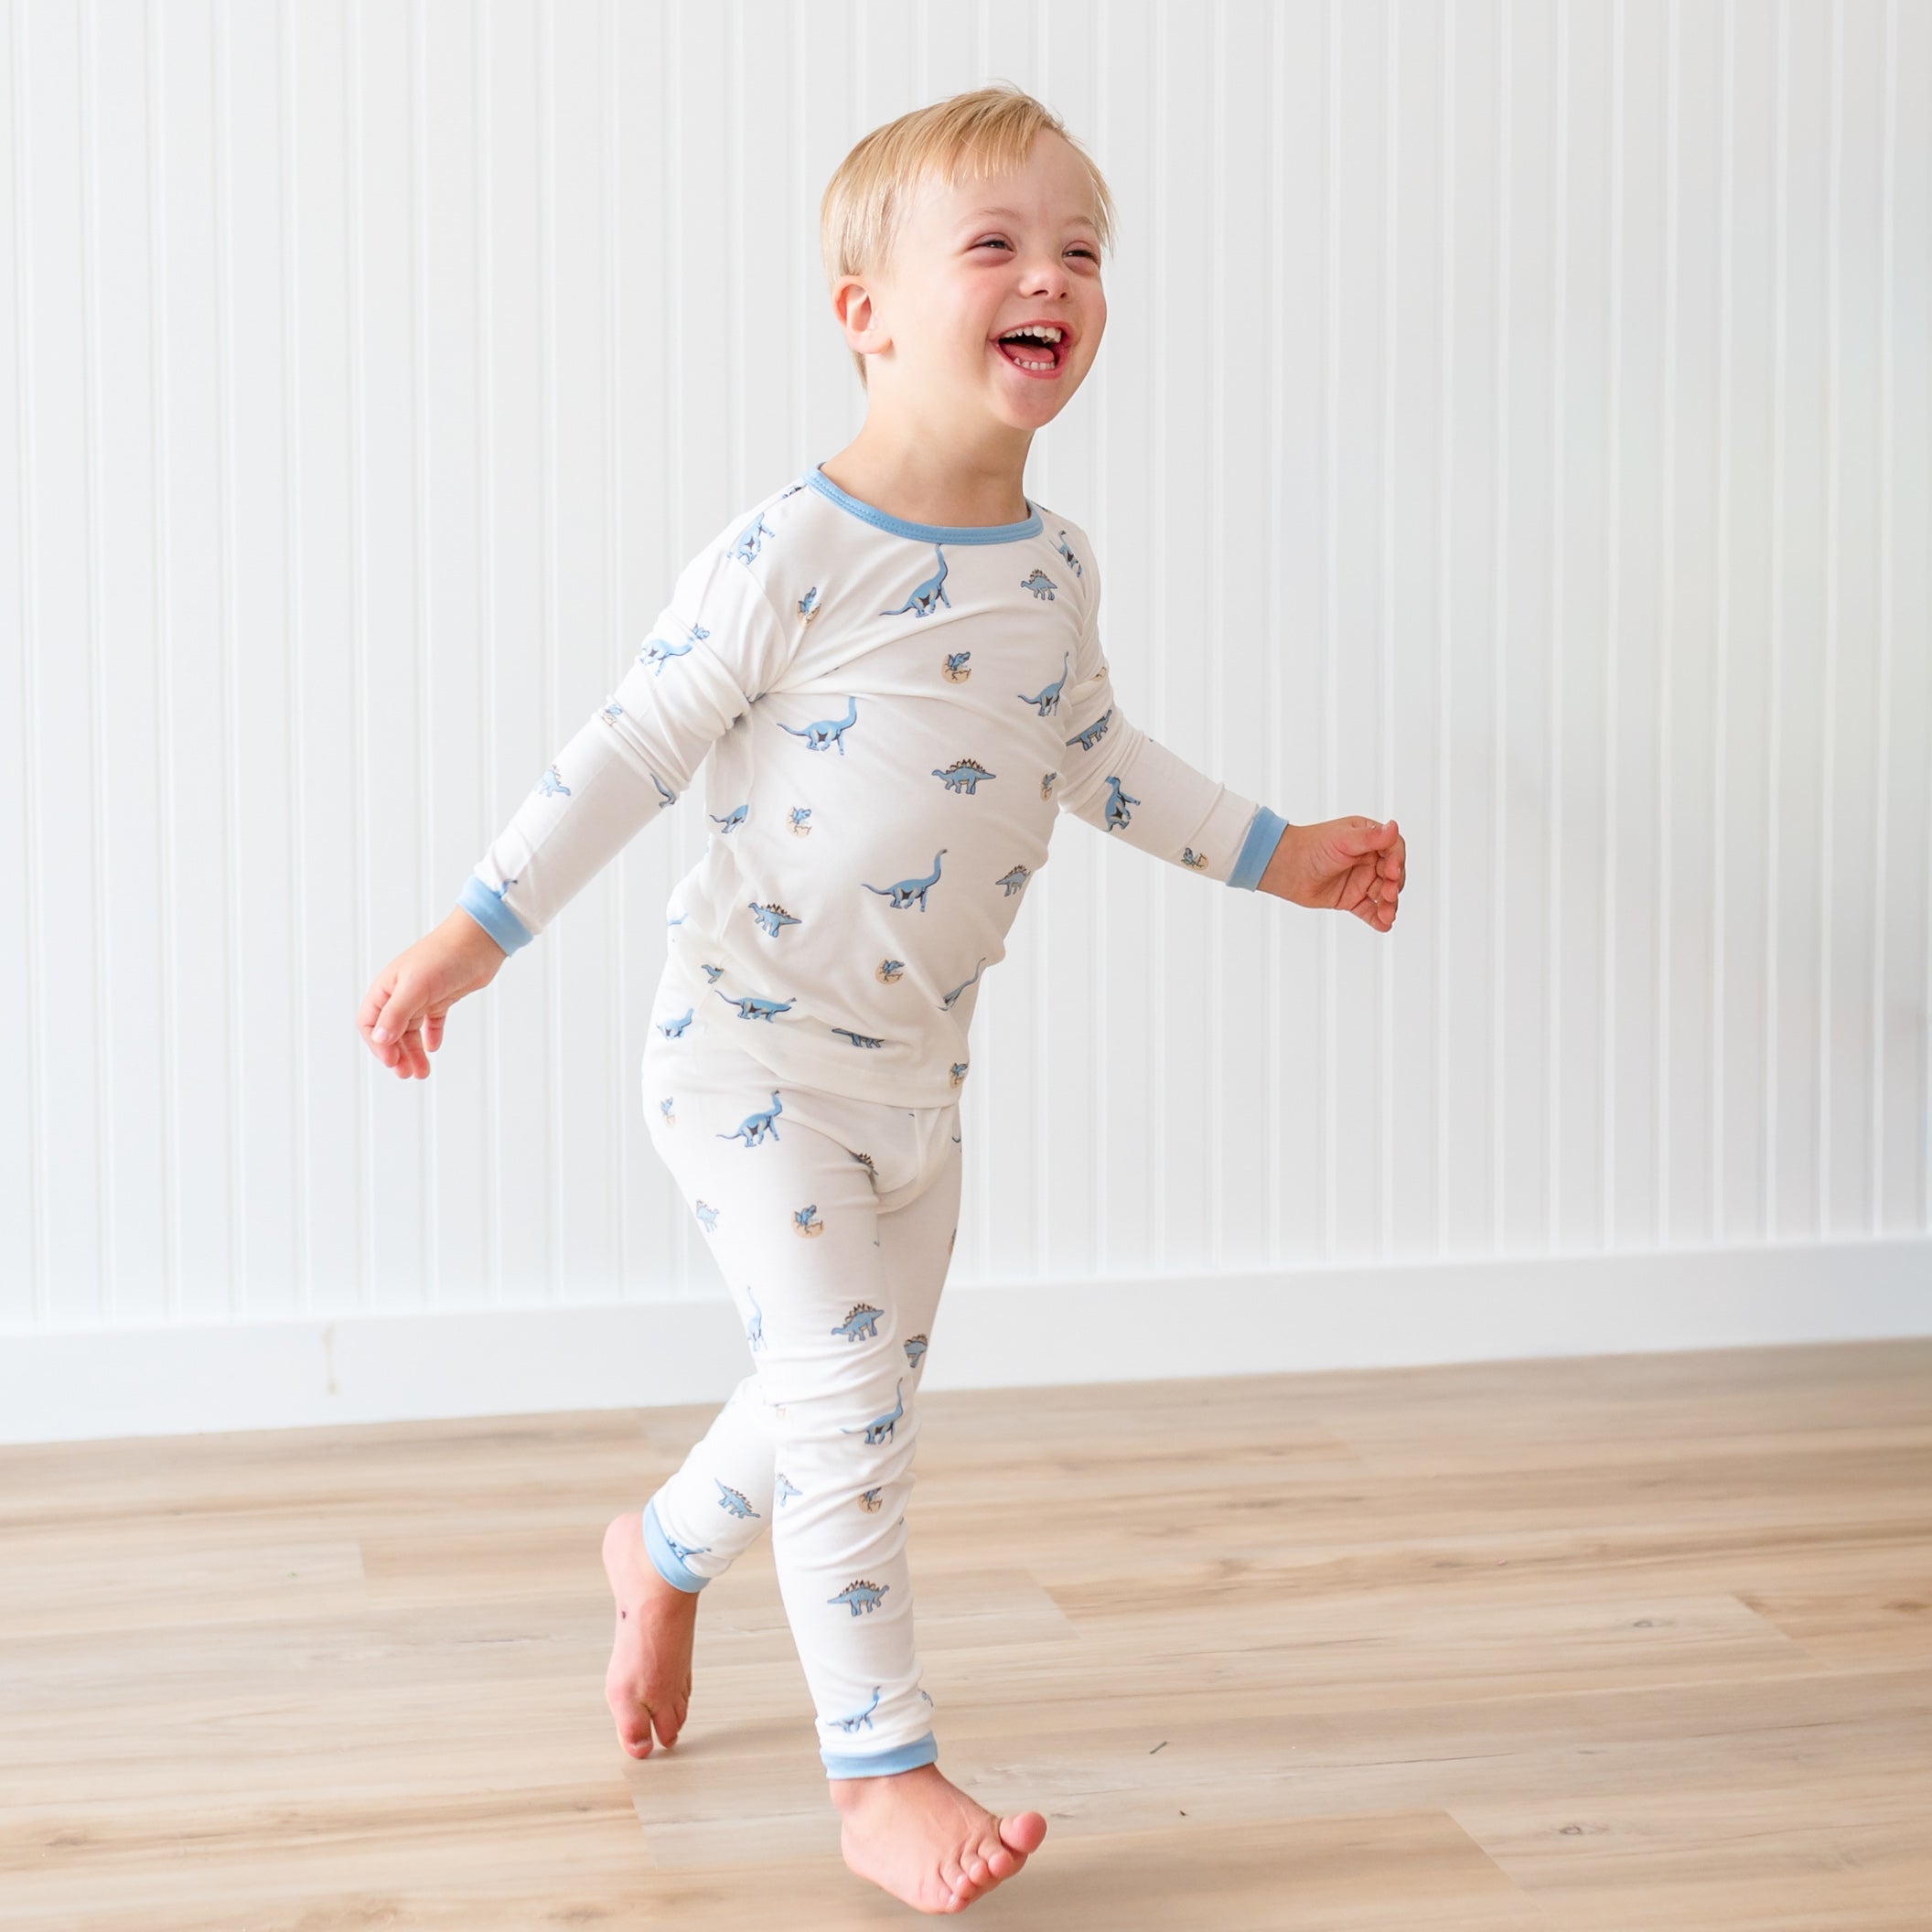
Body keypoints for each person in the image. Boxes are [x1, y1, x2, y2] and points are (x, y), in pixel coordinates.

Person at [355, 81, 1405, 1916]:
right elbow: (628, 747)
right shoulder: (795, 555)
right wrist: (475, 928)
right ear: (868, 310)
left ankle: (661, 1552)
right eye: (995, 243)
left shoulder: (1057, 571)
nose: (1053, 276)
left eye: (1083, 248)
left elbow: (1098, 758)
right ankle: (880, 1776)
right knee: (847, 1388)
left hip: (919, 1087)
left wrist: (1277, 850)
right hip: (745, 1057)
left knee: (830, 1391)